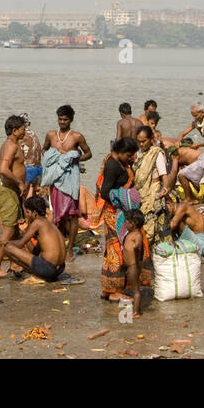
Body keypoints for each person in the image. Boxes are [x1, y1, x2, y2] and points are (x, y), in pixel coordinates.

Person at [98, 138, 150, 301]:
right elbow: (105, 192)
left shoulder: (122, 163)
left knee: (125, 247)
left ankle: (120, 286)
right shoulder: (112, 166)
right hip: (115, 213)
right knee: (117, 249)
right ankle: (113, 290)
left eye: (134, 154)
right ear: (119, 152)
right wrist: (124, 196)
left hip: (123, 212)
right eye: (129, 154)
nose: (132, 158)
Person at [43, 104, 92, 251]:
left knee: (72, 214)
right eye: (60, 119)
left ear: (70, 120)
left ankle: (70, 248)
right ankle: (60, 244)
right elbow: (44, 150)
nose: (62, 122)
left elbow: (89, 153)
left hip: (70, 179)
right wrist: (53, 161)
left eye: (65, 120)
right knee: (58, 213)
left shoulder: (77, 136)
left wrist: (74, 159)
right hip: (56, 180)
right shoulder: (51, 135)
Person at [0, 195, 67, 282]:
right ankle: (41, 274)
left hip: (48, 269)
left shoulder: (37, 222)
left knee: (7, 247)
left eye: (28, 212)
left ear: (35, 213)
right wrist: (24, 231)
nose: (27, 215)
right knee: (15, 248)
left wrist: (5, 241)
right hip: (59, 269)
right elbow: (35, 251)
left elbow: (20, 244)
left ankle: (37, 274)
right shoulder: (50, 224)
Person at [0, 115, 29, 275]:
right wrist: (19, 183)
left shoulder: (11, 144)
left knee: (15, 229)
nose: (25, 131)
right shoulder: (11, 146)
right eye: (23, 128)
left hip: (11, 191)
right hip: (7, 191)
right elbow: (3, 169)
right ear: (14, 130)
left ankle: (14, 263)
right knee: (8, 231)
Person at [134, 125, 171, 242]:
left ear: (151, 139)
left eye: (144, 141)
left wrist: (164, 190)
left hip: (153, 191)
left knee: (152, 223)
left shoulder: (156, 153)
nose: (141, 144)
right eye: (139, 142)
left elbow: (163, 174)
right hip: (141, 193)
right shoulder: (140, 154)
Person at [168, 193, 204, 259]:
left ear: (169, 204)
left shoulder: (182, 207)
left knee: (177, 223)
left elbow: (173, 224)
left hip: (200, 245)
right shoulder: (175, 212)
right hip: (192, 244)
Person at [18, 114, 43, 194]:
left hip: (28, 170)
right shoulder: (33, 134)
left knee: (23, 195)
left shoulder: (21, 136)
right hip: (39, 168)